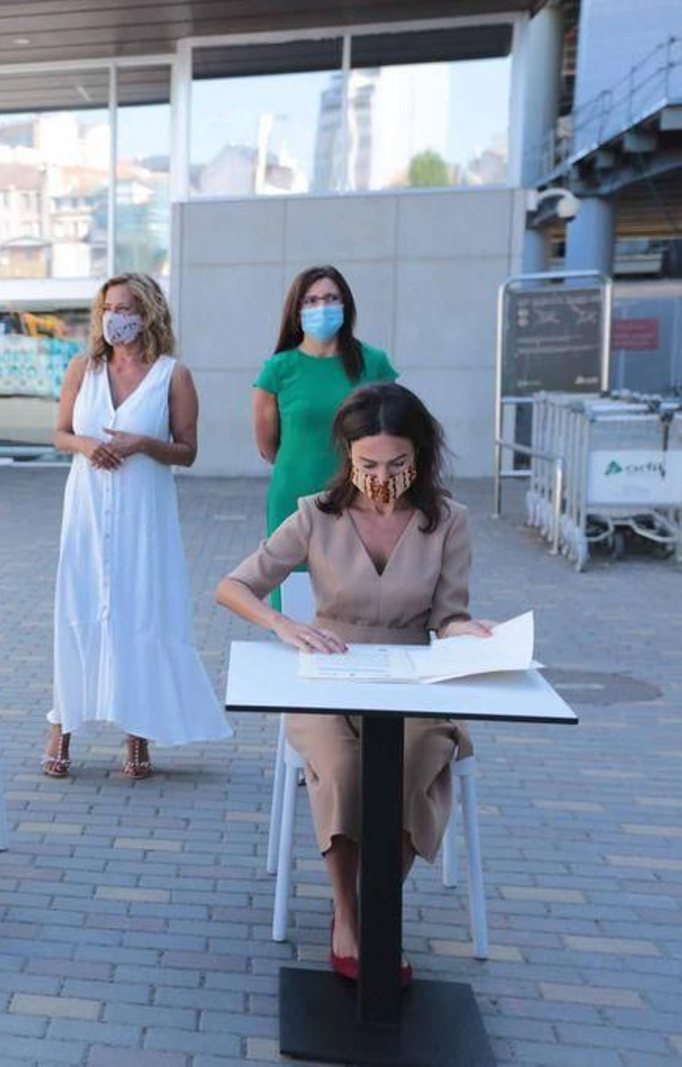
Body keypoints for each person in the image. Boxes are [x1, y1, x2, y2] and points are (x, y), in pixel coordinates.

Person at [215, 382, 495, 984]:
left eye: (397, 463)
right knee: (342, 769)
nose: (381, 476)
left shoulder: (447, 521)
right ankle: (348, 913)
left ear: (419, 455)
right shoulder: (317, 514)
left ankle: (376, 907)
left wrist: (469, 630)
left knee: (415, 755)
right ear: (348, 455)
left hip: (415, 678)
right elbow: (234, 586)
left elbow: (448, 616)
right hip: (328, 678)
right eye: (368, 463)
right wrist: (284, 625)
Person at [46, 272, 231, 780]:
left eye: (124, 307)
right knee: (80, 605)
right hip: (86, 509)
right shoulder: (84, 367)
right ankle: (60, 726)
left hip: (142, 512)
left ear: (147, 312)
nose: (113, 317)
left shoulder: (173, 375)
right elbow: (61, 433)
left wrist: (142, 444)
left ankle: (138, 734)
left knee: (140, 609)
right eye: (106, 307)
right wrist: (89, 445)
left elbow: (188, 451)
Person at [253, 266, 398, 607]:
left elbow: (394, 430)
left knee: (360, 604)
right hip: (294, 499)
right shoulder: (278, 368)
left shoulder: (373, 363)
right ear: (297, 309)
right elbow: (267, 446)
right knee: (298, 607)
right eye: (312, 300)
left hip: (361, 498)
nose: (322, 307)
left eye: (332, 298)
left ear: (346, 305)